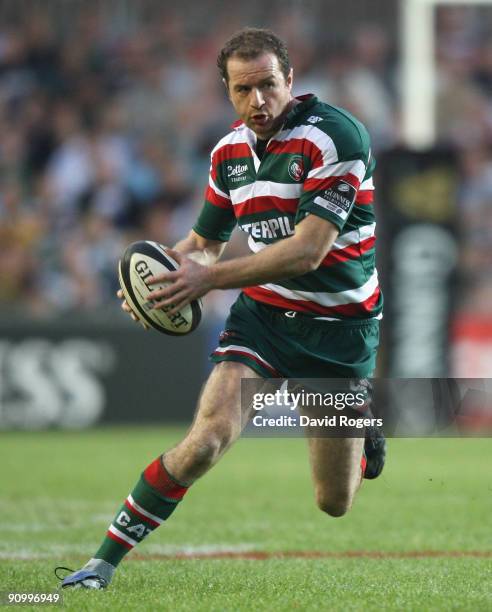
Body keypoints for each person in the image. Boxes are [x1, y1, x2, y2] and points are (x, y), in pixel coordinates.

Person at [56, 27, 385, 590]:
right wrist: (160, 282)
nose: (257, 101)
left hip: (339, 329)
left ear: (290, 80)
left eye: (267, 86)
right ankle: (99, 565)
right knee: (207, 439)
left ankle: (364, 435)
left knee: (334, 503)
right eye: (243, 90)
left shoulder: (336, 137)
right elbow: (201, 245)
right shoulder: (227, 153)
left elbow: (307, 252)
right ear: (227, 92)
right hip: (262, 319)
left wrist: (205, 279)